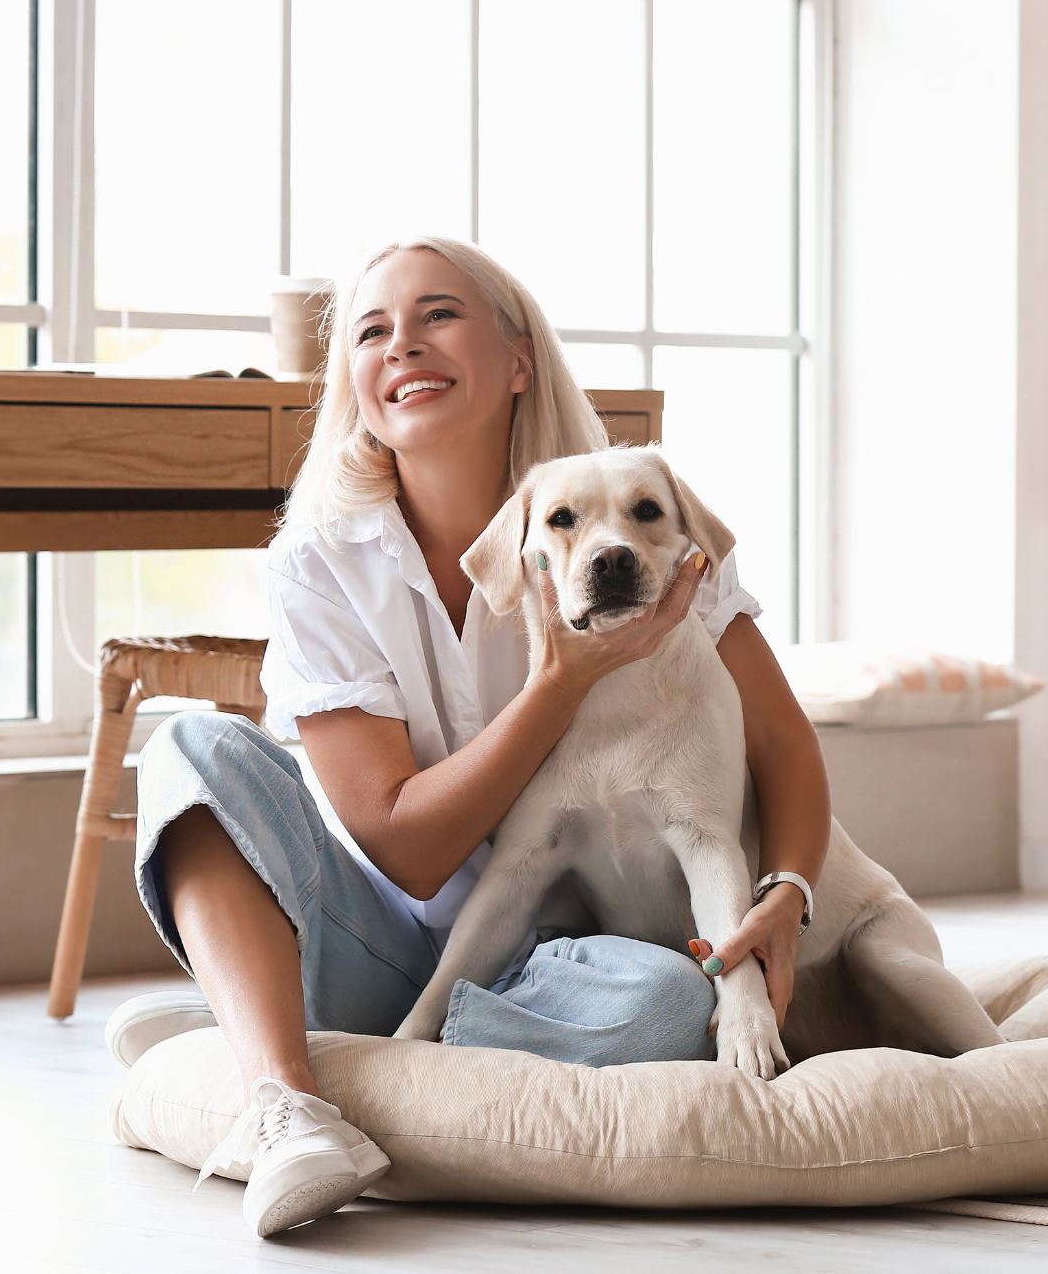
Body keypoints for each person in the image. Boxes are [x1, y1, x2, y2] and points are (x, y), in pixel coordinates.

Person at [112, 236, 831, 1238]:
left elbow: (785, 747)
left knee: (669, 1004)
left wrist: (786, 897)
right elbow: (405, 850)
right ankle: (286, 1101)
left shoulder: (635, 526)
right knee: (188, 749)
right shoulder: (319, 560)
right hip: (369, 923)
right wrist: (558, 682)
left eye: (436, 314)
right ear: (354, 384)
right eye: (370, 330)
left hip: (545, 961)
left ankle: (289, 1035)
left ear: (518, 358)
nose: (400, 342)